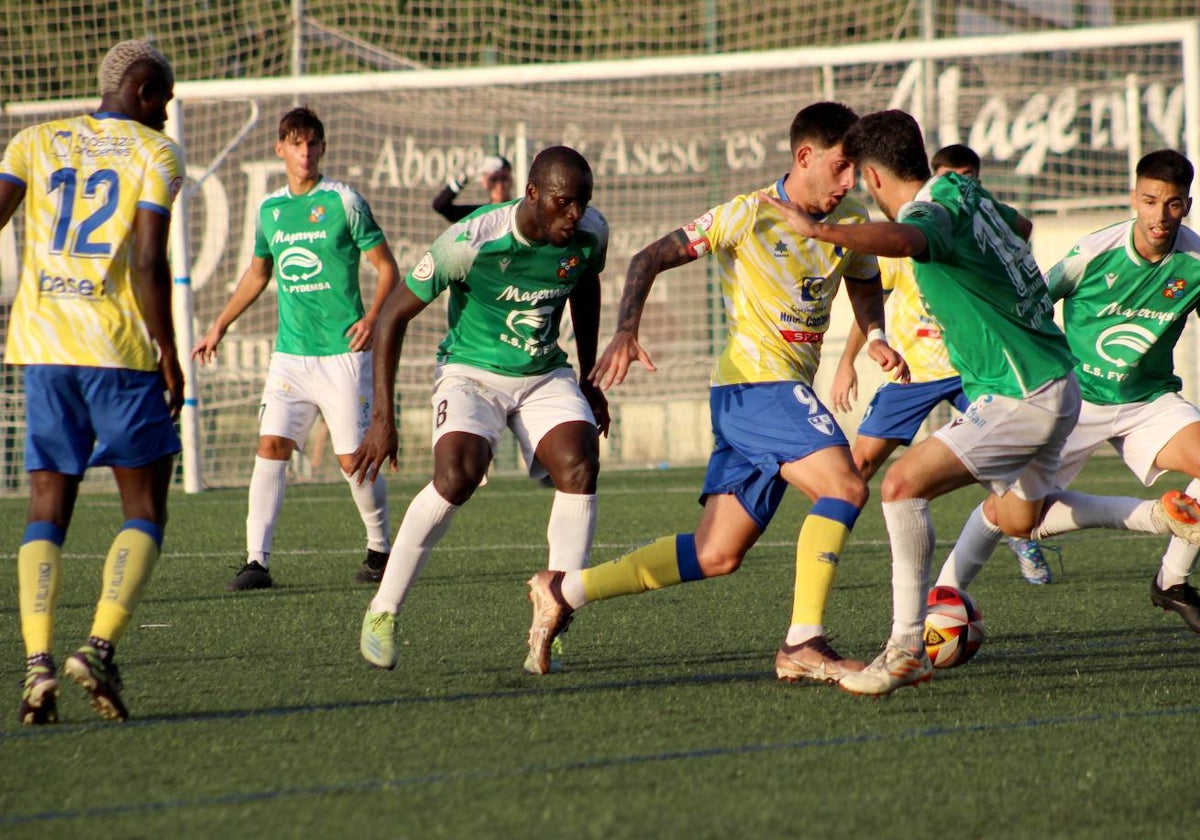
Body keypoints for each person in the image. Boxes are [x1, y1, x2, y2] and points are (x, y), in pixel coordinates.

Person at [761, 109, 1200, 696]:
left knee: (900, 485)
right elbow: (1015, 229)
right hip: (1062, 383)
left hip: (1018, 392)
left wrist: (822, 231)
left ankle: (904, 649)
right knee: (1020, 518)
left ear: (871, 177)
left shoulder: (927, 212)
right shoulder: (964, 188)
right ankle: (1156, 515)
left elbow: (909, 237)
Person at [523, 102, 907, 682]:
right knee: (846, 485)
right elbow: (648, 256)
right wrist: (626, 331)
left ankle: (564, 589)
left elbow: (863, 277)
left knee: (716, 553)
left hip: (766, 396)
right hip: (755, 385)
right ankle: (804, 642)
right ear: (805, 157)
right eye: (841, 166)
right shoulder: (747, 214)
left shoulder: (847, 220)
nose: (851, 181)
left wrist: (875, 335)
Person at [352, 145, 609, 673]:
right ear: (532, 194)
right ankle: (382, 610)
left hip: (542, 374)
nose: (575, 215)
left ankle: (553, 613)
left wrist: (588, 377)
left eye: (582, 202)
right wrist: (383, 417)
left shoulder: (590, 233)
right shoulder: (471, 240)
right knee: (456, 475)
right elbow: (393, 318)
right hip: (471, 373)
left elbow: (585, 284)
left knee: (580, 465)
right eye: (564, 202)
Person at [936, 149, 1200, 632]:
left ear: (1187, 204)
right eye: (1149, 201)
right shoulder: (1094, 252)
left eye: (1174, 204)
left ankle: (1173, 580)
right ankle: (941, 598)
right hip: (1076, 398)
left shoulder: (1195, 262)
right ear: (1133, 198)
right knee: (1007, 514)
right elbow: (1031, 303)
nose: (1160, 216)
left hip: (1148, 401)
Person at [0, 39, 183, 723]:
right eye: (163, 97)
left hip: (43, 351)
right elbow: (145, 263)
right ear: (140, 90)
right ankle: (98, 647)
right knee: (144, 509)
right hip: (117, 350)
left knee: (46, 508)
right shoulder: (155, 154)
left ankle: (36, 665)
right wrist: (168, 349)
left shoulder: (33, 142)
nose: (166, 112)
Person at [831, 143, 1058, 586]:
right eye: (954, 175)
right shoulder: (914, 230)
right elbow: (875, 295)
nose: (962, 183)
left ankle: (1020, 533)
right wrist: (856, 355)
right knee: (860, 464)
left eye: (970, 175)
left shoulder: (974, 226)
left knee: (998, 468)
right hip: (914, 373)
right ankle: (828, 548)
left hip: (970, 368)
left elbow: (1021, 229)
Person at [192, 107, 399, 590]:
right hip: (290, 357)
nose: (304, 152)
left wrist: (371, 319)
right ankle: (256, 562)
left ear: (322, 148)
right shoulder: (270, 210)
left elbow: (388, 269)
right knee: (270, 446)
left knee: (353, 460)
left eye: (312, 143)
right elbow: (258, 273)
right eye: (295, 143)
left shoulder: (344, 201)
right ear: (279, 149)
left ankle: (381, 549)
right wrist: (219, 324)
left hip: (342, 354)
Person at [431, 155, 514, 222]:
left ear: (511, 180)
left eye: (504, 178)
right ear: (484, 182)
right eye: (493, 179)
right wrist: (464, 177)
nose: (499, 185)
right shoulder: (478, 215)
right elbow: (440, 206)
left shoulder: (518, 211)